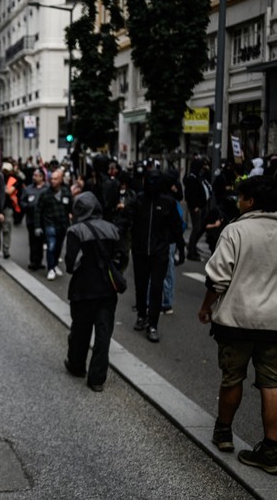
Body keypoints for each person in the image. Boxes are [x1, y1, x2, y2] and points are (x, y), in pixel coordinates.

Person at [199, 175, 277, 476]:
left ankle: (224, 433)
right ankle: (271, 451)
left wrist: (206, 305)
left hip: (236, 321)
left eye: (241, 197)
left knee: (232, 377)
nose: (238, 202)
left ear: (250, 201)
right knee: (272, 383)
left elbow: (218, 277)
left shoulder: (235, 231)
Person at [63, 193, 122, 392]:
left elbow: (71, 264)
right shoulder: (112, 229)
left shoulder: (75, 231)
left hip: (83, 290)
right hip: (107, 290)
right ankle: (97, 378)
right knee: (103, 335)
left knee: (80, 331)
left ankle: (77, 366)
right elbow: (120, 258)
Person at [129, 170, 184, 343]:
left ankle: (153, 324)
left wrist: (180, 249)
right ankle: (141, 315)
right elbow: (127, 220)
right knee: (141, 285)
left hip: (159, 252)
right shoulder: (138, 200)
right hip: (140, 251)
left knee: (156, 288)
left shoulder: (167, 202)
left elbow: (176, 227)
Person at [33, 168, 74, 282]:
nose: (53, 181)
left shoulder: (66, 193)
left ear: (61, 180)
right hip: (50, 224)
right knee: (51, 246)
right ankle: (50, 268)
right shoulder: (45, 194)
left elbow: (71, 208)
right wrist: (37, 226)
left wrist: (72, 218)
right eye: (51, 179)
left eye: (56, 179)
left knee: (58, 246)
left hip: (63, 224)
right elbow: (38, 210)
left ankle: (55, 265)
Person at [21, 169, 48, 271]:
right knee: (33, 241)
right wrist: (28, 206)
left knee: (41, 241)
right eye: (33, 175)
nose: (34, 177)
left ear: (41, 177)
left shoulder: (47, 189)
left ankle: (39, 261)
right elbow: (22, 201)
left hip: (43, 220)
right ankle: (33, 261)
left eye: (36, 175)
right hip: (31, 219)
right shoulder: (28, 189)